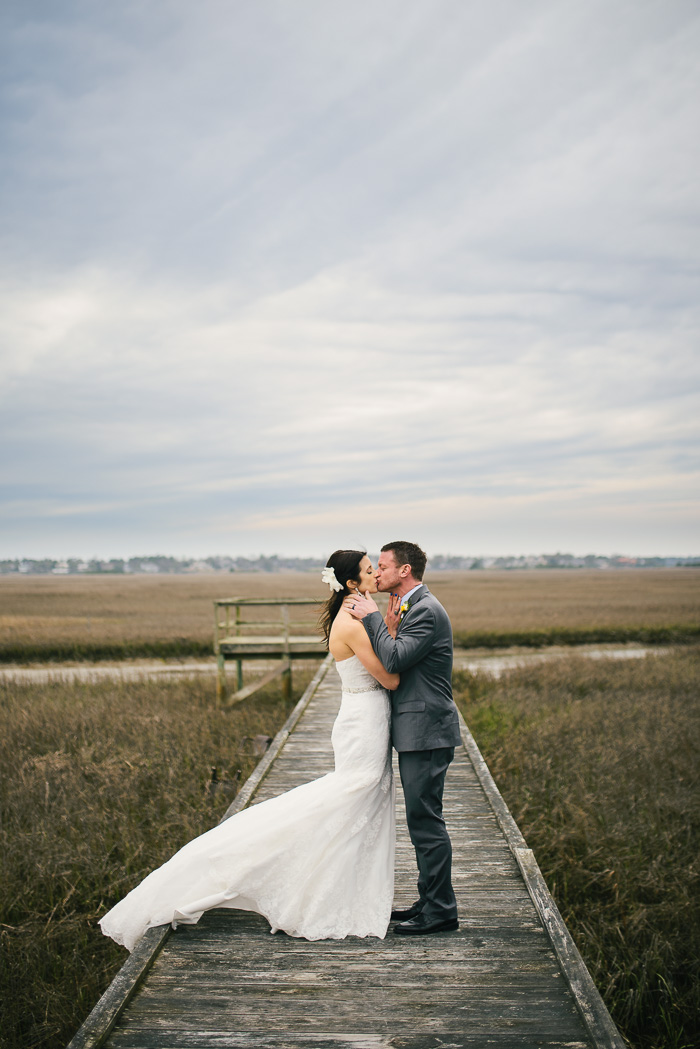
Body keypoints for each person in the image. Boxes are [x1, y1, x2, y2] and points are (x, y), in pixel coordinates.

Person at [99, 550, 398, 951]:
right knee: (349, 797)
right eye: (368, 570)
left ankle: (346, 892)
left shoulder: (357, 613)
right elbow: (390, 679)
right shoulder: (354, 621)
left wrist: (385, 622)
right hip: (365, 720)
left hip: (363, 716)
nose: (376, 573)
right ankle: (299, 888)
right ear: (350, 584)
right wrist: (390, 629)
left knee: (358, 803)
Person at [344, 540, 461, 935]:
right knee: (421, 820)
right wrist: (389, 626)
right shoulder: (412, 605)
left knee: (425, 821)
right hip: (418, 730)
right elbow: (399, 652)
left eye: (383, 566)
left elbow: (393, 661)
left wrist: (373, 617)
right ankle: (428, 901)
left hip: (426, 730)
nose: (377, 573)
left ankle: (441, 911)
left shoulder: (426, 610)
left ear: (404, 571)